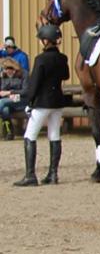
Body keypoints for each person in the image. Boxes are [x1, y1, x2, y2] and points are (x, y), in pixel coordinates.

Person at [15, 23, 70, 187]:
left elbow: (34, 83)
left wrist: (29, 102)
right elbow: (66, 75)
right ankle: (53, 174)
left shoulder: (41, 59)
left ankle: (30, 175)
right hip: (57, 102)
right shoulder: (62, 58)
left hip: (42, 102)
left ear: (46, 41)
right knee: (54, 135)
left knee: (29, 136)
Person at [0, 58, 25, 139]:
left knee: (2, 102)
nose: (8, 71)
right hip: (8, 100)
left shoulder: (23, 75)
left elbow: (25, 91)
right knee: (5, 110)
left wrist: (10, 92)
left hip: (21, 99)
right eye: (6, 69)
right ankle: (9, 131)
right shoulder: (3, 77)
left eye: (10, 68)